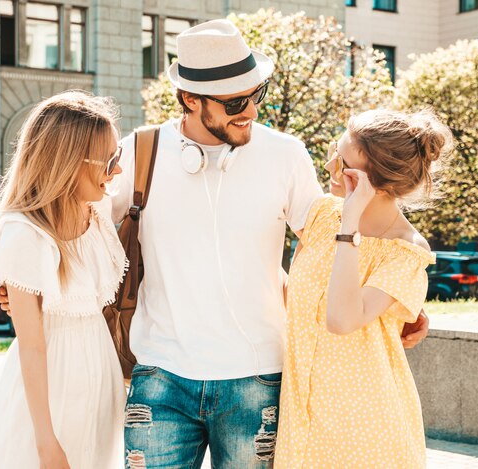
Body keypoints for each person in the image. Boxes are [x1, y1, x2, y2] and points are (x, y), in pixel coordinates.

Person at [109, 21, 429, 468]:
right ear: (189, 99)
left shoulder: (285, 154)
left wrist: (402, 297)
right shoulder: (139, 153)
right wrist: (17, 279)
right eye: (235, 102)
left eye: (256, 95)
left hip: (256, 378)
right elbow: (84, 230)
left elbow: (335, 237)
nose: (251, 112)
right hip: (161, 375)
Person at [274, 109, 453, 468]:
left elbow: (341, 320)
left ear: (376, 181)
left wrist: (350, 225)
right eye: (332, 152)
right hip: (303, 422)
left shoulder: (407, 251)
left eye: (340, 163)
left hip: (367, 432)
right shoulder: (323, 215)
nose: (329, 168)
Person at [0, 91, 127, 469]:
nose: (117, 170)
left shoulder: (99, 212)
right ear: (67, 163)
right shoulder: (24, 235)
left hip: (100, 379)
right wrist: (46, 441)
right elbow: (32, 345)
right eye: (109, 161)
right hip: (48, 390)